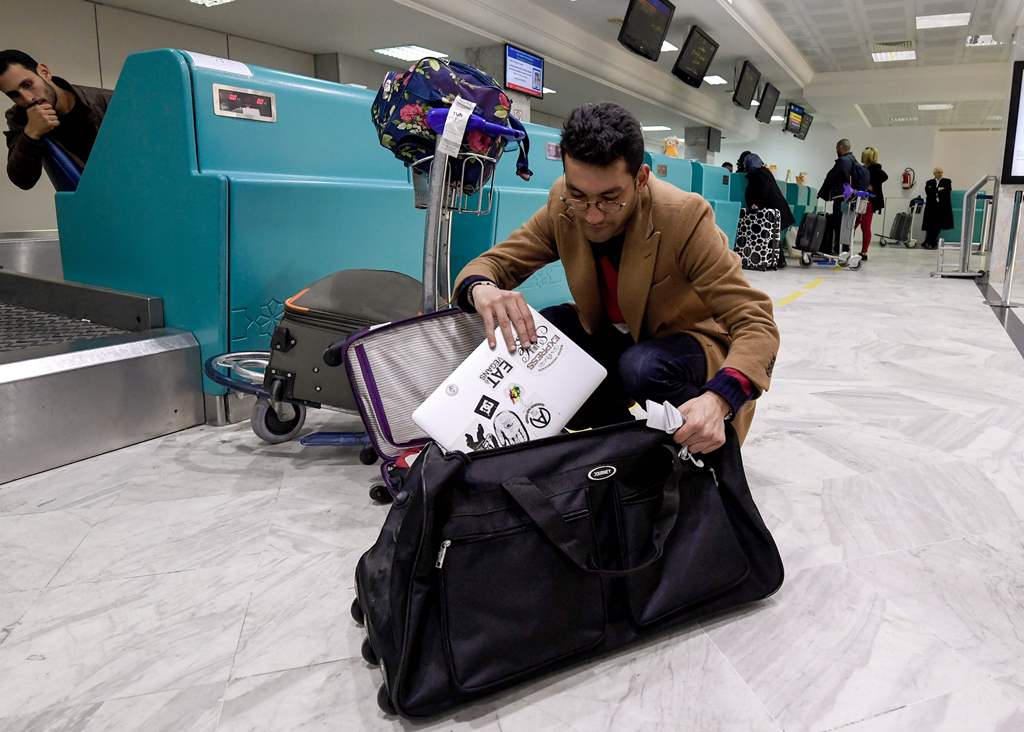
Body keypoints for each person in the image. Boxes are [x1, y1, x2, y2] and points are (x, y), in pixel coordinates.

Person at [454, 102, 780, 453]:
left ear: (640, 179)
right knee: (549, 328)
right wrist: (483, 289)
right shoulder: (563, 205)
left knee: (641, 367)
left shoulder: (683, 216)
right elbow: (493, 264)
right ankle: (620, 450)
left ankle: (701, 458)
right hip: (619, 339)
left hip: (688, 344)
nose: (592, 216)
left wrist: (720, 399)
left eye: (610, 199)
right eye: (579, 195)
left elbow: (756, 322)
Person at [1, 50, 112, 190]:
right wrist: (31, 134)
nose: (27, 99)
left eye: (27, 85)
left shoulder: (108, 101)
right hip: (88, 204)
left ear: (44, 72)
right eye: (14, 95)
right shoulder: (21, 118)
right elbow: (23, 180)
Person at [818, 138, 858, 255]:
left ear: (841, 148)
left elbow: (832, 177)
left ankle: (839, 249)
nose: (836, 149)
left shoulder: (843, 161)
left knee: (839, 222)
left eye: (836, 147)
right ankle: (844, 248)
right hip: (850, 198)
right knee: (846, 224)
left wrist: (822, 193)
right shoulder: (853, 160)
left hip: (842, 198)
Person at [743, 153, 794, 229]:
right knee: (772, 237)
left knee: (769, 237)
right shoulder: (764, 171)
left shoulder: (757, 174)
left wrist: (757, 204)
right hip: (778, 212)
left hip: (771, 214)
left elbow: (763, 189)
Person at [855, 147, 887, 260]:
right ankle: (851, 248)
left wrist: (872, 185)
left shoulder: (875, 169)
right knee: (856, 224)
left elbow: (884, 177)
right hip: (861, 199)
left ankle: (864, 252)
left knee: (864, 225)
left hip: (868, 201)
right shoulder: (864, 168)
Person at [922, 167, 953, 250]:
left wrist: (934, 190)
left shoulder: (947, 181)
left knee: (938, 225)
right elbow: (928, 192)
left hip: (941, 207)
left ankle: (931, 242)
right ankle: (929, 241)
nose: (940, 173)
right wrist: (938, 189)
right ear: (934, 173)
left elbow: (947, 191)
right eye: (938, 172)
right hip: (931, 207)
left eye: (941, 172)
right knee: (930, 225)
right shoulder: (929, 182)